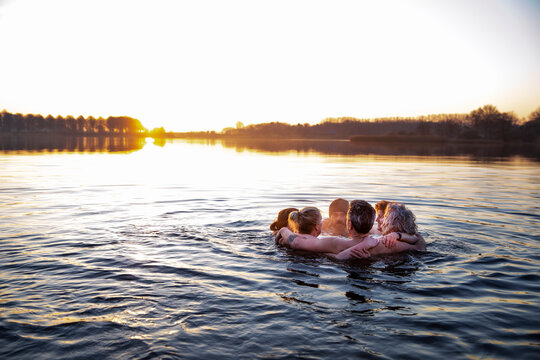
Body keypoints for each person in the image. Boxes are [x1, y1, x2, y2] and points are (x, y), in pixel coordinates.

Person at [275, 200, 423, 258]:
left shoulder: (334, 243)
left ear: (349, 225)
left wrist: (282, 230)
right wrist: (399, 235)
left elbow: (296, 242)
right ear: (371, 224)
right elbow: (419, 242)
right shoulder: (388, 243)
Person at [334, 202, 425, 260]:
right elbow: (418, 240)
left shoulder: (388, 243)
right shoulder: (411, 240)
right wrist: (398, 235)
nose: (379, 220)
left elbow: (336, 256)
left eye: (384, 217)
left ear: (392, 222)